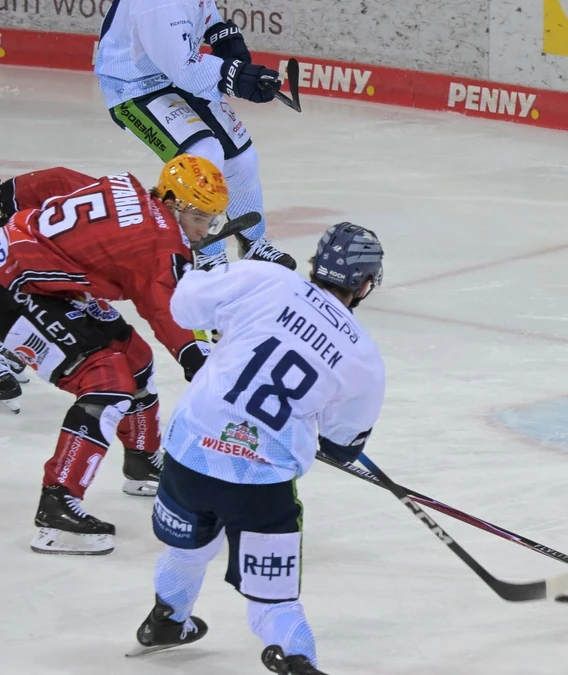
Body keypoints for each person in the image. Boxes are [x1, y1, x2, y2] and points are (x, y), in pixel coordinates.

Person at [132, 223, 386, 674]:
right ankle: (296, 659)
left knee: (187, 549)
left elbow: (186, 305)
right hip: (259, 483)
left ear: (314, 263)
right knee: (274, 603)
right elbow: (342, 444)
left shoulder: (268, 278)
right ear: (365, 284)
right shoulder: (363, 356)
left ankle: (166, 619)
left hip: (190, 453)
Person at [0, 156, 223, 555]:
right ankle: (57, 505)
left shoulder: (127, 187)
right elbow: (165, 308)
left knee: (133, 356)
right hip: (12, 285)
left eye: (211, 219)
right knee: (106, 383)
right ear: (171, 202)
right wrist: (198, 360)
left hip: (40, 277)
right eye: (199, 216)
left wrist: (8, 196)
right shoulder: (162, 242)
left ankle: (141, 460)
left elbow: (59, 180)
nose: (205, 229)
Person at [94, 0, 296, 270]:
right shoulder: (157, 5)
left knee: (242, 158)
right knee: (203, 156)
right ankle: (208, 254)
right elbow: (185, 69)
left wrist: (225, 40)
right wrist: (237, 77)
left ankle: (253, 243)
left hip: (173, 75)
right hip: (133, 88)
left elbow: (205, 15)